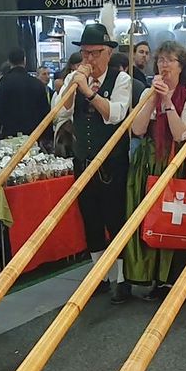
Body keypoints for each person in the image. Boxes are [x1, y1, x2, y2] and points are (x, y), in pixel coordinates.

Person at [55, 21, 134, 302]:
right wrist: (73, 84)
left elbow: (115, 114)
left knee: (116, 217)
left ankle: (122, 278)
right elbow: (61, 111)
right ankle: (99, 275)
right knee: (90, 218)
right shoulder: (75, 78)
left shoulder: (121, 80)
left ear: (108, 53)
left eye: (95, 52)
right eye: (85, 53)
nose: (89, 58)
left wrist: (89, 92)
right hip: (83, 160)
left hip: (112, 162)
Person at [127, 40, 186, 298]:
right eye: (161, 60)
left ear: (181, 66)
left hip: (175, 163)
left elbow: (181, 134)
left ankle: (172, 280)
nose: (164, 65)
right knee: (150, 218)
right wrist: (153, 97)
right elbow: (137, 129)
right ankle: (151, 276)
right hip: (148, 162)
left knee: (172, 220)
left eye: (169, 60)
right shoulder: (147, 93)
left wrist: (166, 101)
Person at [0, 48, 52, 139]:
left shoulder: (5, 82)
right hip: (33, 136)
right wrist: (48, 136)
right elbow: (45, 112)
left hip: (10, 134)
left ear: (9, 62)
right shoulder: (37, 83)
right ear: (24, 60)